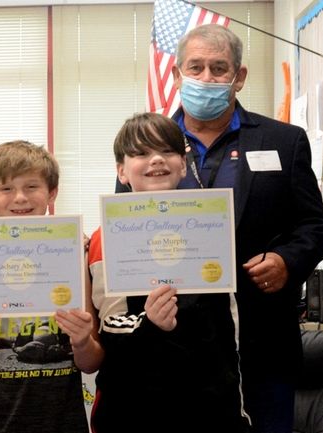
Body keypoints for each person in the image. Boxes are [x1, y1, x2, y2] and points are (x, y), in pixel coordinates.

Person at [170, 24, 323, 433]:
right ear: (176, 75)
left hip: (263, 344)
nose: (206, 78)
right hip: (174, 345)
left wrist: (286, 260)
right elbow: (127, 222)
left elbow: (314, 224)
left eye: (219, 68)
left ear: (239, 77)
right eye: (196, 67)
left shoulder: (283, 141)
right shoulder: (149, 143)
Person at [89, 112, 250, 433]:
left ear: (182, 162)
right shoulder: (105, 236)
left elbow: (228, 329)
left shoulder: (211, 227)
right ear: (121, 171)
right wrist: (149, 323)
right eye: (141, 153)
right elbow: (110, 326)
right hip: (135, 407)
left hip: (211, 407)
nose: (157, 160)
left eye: (168, 151)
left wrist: (237, 410)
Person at [0, 140, 102, 433]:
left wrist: (82, 341)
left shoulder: (72, 254)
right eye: (6, 189)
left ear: (52, 193)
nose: (19, 197)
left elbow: (91, 362)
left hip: (64, 421)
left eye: (32, 186)